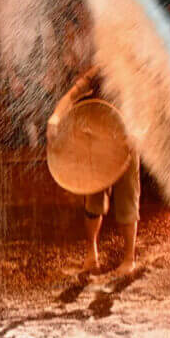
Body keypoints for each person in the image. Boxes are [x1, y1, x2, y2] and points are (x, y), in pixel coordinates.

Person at [47, 65, 139, 277]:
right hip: (98, 139)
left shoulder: (136, 70)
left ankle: (129, 258)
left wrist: (138, 131)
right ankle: (91, 252)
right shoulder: (100, 69)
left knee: (127, 201)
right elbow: (71, 96)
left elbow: (148, 108)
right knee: (94, 200)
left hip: (126, 141)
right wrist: (56, 117)